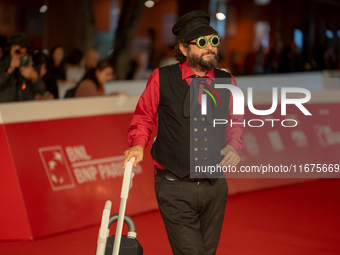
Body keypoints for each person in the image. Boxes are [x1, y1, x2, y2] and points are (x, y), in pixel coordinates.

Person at [123, 10, 244, 255]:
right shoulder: (161, 77)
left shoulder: (227, 81)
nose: (210, 48)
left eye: (213, 41)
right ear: (184, 49)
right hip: (173, 186)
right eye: (202, 43)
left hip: (214, 187)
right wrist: (137, 144)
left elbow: (236, 121)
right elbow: (144, 117)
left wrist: (233, 145)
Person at [0, 32, 46, 103]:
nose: (19, 55)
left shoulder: (31, 66)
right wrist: (9, 71)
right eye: (17, 51)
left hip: (25, 108)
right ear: (10, 49)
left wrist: (34, 78)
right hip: (5, 108)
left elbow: (41, 91)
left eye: (23, 52)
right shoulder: (2, 65)